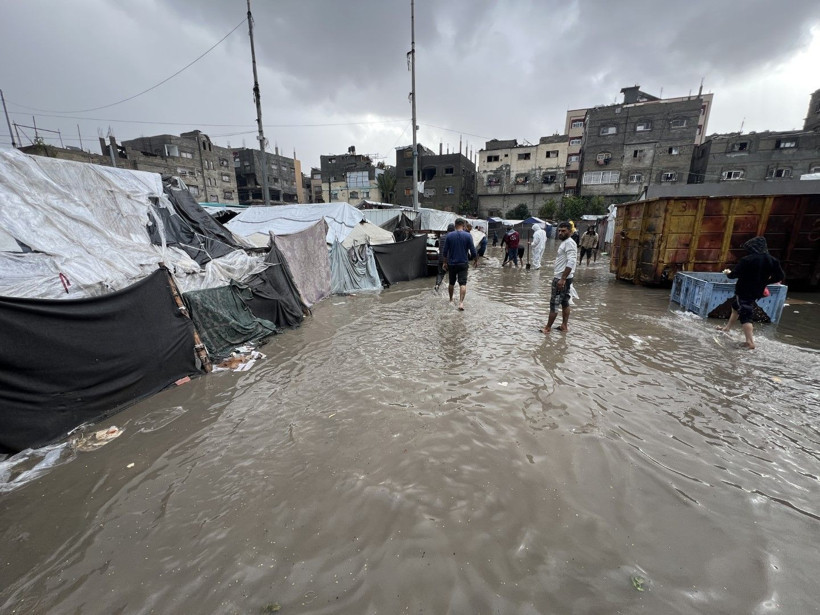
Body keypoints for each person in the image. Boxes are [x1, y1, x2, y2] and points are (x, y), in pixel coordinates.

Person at [718, 236, 785, 349]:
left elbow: (734, 275)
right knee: (736, 306)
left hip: (744, 289)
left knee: (745, 312)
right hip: (757, 291)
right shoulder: (773, 260)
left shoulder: (747, 260)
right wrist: (765, 282)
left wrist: (728, 273)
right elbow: (780, 276)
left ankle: (750, 342)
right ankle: (727, 328)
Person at [542, 221, 577, 334]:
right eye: (559, 231)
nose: (560, 233)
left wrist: (562, 279)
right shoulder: (566, 242)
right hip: (565, 277)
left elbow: (571, 261)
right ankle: (564, 326)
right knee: (565, 302)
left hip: (561, 278)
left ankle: (547, 328)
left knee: (554, 304)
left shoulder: (569, 243)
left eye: (563, 231)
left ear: (570, 232)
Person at [442, 218, 477, 311]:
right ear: (464, 225)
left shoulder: (449, 236)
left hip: (452, 263)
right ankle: (461, 303)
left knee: (451, 283)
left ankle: (450, 300)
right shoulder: (468, 236)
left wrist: (445, 262)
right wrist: (475, 260)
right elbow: (473, 250)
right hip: (463, 263)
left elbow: (445, 251)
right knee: (463, 283)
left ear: (455, 224)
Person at [434, 223, 456, 291]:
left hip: (441, 259)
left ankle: (437, 285)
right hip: (451, 259)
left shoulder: (442, 237)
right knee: (452, 275)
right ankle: (451, 289)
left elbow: (440, 247)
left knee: (440, 274)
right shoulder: (454, 237)